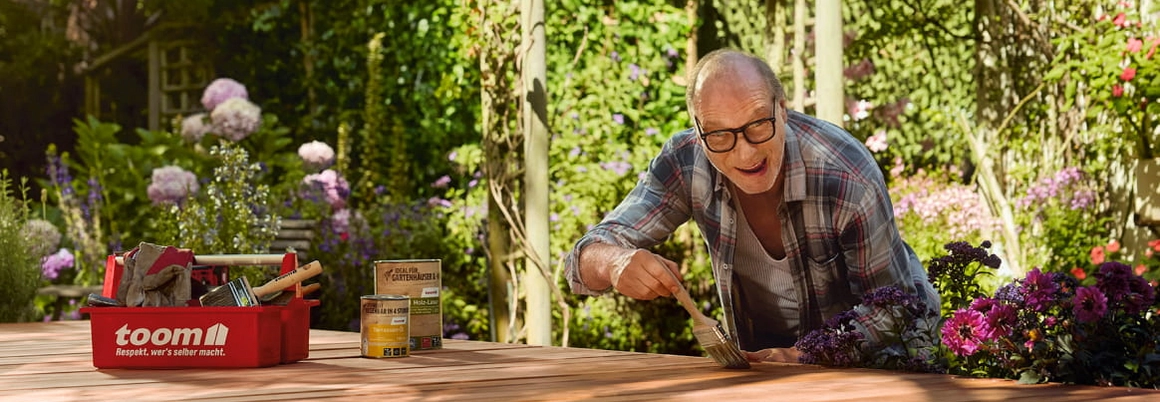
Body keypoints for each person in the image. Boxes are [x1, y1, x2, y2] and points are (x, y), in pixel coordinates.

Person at [562, 48, 939, 363]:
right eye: (720, 135)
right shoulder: (686, 161)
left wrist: (799, 356)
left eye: (759, 124)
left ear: (782, 108)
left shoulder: (844, 174)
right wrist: (614, 263)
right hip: (762, 370)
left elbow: (894, 309)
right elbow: (580, 261)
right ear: (698, 129)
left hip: (877, 366)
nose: (745, 152)